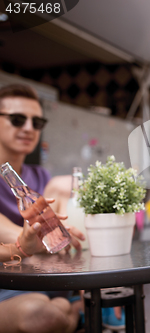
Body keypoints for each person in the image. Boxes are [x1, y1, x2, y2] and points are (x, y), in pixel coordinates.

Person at [0, 84, 85, 332]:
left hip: (45, 281)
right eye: (17, 119)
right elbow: (12, 234)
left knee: (64, 185)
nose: (28, 128)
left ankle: (71, 302)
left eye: (36, 122)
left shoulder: (40, 177)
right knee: (44, 316)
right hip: (7, 287)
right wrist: (36, 237)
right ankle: (75, 309)